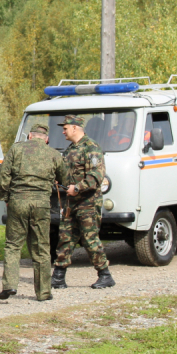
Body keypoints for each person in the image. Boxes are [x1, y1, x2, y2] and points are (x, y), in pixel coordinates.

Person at [0, 124, 68, 301]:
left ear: (29, 136)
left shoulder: (16, 149)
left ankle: (10, 285)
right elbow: (65, 179)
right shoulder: (53, 154)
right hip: (41, 203)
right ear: (46, 139)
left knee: (13, 245)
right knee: (41, 248)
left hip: (18, 201)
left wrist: (6, 197)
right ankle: (43, 292)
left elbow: (4, 175)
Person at [52, 114, 115, 290]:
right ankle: (58, 276)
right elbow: (66, 172)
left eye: (65, 128)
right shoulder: (71, 149)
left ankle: (105, 274)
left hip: (87, 202)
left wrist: (77, 188)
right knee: (65, 237)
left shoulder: (91, 148)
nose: (63, 131)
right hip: (71, 203)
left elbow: (96, 176)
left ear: (74, 128)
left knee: (89, 239)